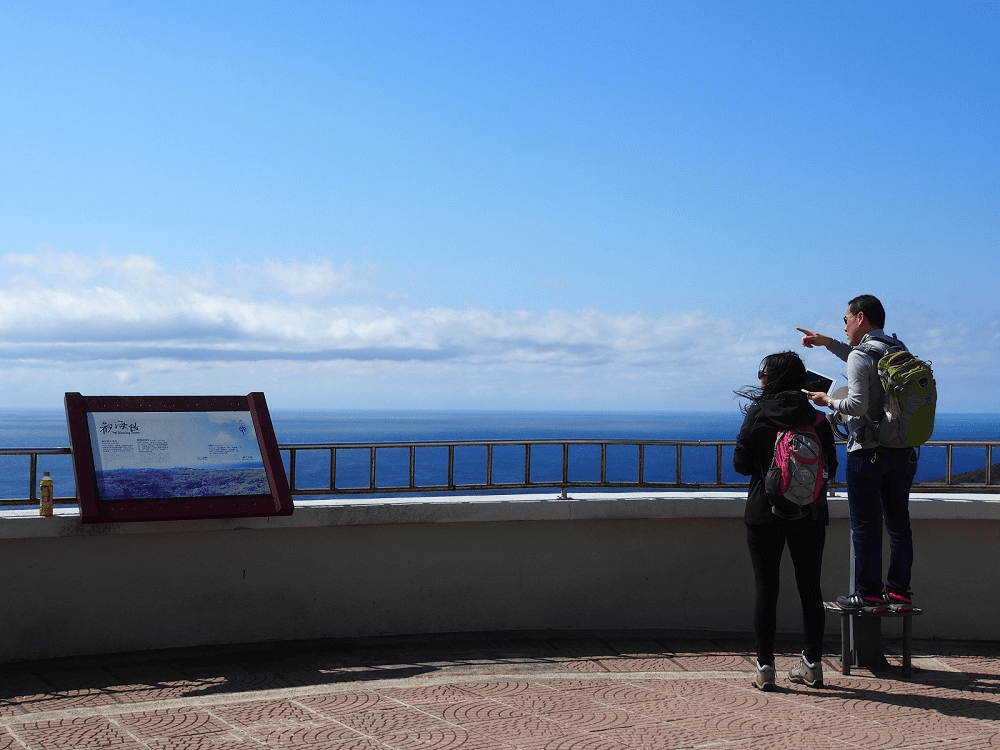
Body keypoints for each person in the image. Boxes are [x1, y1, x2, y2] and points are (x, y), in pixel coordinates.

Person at [797, 294, 917, 614]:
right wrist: (829, 343)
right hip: (903, 451)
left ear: (860, 318)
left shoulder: (860, 356)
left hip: (868, 453)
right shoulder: (897, 350)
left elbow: (857, 405)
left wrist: (829, 402)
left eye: (846, 320)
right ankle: (899, 592)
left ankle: (869, 594)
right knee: (898, 524)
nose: (846, 325)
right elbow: (858, 356)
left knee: (865, 525)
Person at [734, 351, 838, 691]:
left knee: (767, 590)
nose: (761, 378)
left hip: (764, 513)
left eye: (763, 373)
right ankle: (813, 665)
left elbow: (740, 464)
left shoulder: (759, 414)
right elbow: (830, 469)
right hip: (809, 513)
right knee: (810, 588)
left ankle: (765, 669)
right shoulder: (818, 420)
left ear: (773, 378)